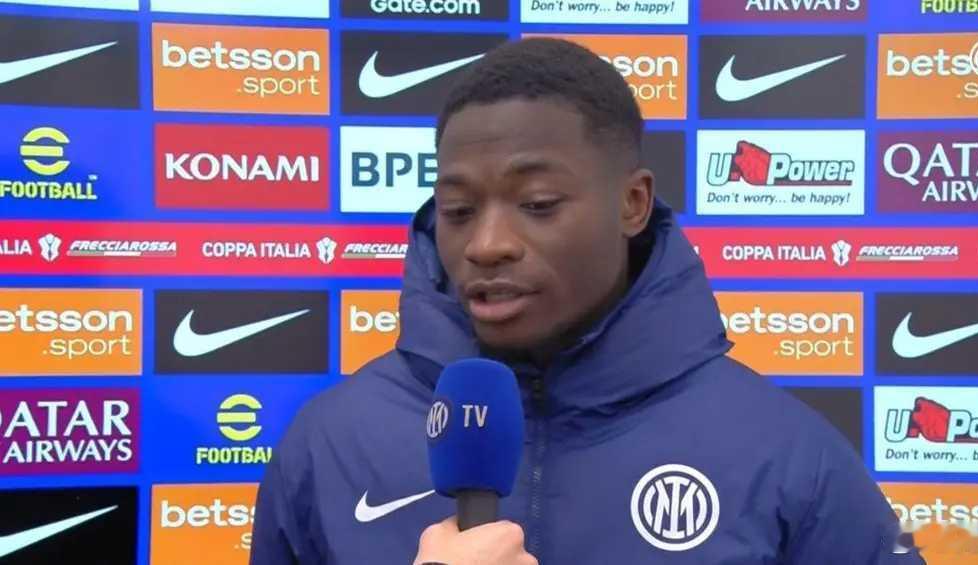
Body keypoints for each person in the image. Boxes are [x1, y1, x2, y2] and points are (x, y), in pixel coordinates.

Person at [250, 37, 924, 565]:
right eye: (457, 210)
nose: (487, 244)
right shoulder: (328, 445)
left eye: (538, 204)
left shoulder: (785, 454)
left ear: (632, 203)